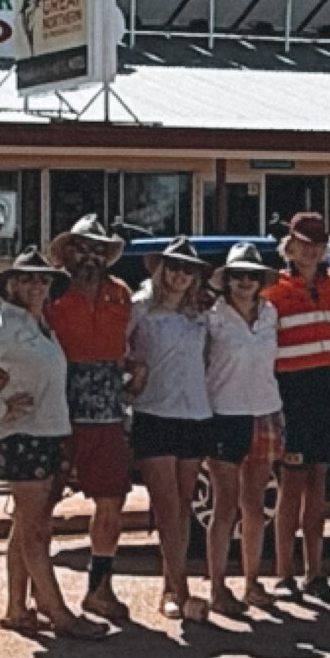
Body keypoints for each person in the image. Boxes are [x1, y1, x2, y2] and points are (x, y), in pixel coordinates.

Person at [0, 250, 92, 643]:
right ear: (12, 285)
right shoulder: (6, 325)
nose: (36, 286)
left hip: (45, 432)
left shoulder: (38, 325)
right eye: (28, 279)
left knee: (28, 525)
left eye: (43, 280)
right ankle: (56, 610)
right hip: (22, 436)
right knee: (35, 530)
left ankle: (17, 608)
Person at [47, 216, 140, 625]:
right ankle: (34, 595)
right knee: (40, 505)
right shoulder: (49, 291)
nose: (89, 257)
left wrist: (134, 369)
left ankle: (99, 588)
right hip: (56, 412)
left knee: (111, 501)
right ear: (67, 253)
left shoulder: (121, 294)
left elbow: (129, 345)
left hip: (108, 410)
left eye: (97, 249)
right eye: (82, 248)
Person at [124, 243, 221, 629]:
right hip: (154, 412)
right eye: (174, 268)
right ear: (161, 270)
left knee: (183, 506)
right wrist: (130, 373)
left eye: (187, 269)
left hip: (196, 413)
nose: (180, 276)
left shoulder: (203, 313)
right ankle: (178, 591)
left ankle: (171, 586)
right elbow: (115, 348)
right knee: (165, 507)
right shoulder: (140, 306)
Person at [265, 211, 330, 600]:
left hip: (326, 386)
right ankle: (284, 573)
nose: (310, 249)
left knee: (319, 482)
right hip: (290, 390)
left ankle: (315, 571)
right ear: (290, 245)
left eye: (318, 243)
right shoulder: (275, 288)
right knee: (291, 482)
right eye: (303, 242)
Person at [202, 243, 286, 613]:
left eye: (252, 275)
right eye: (237, 275)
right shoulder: (211, 317)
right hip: (224, 414)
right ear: (226, 280)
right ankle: (218, 588)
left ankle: (253, 582)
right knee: (225, 507)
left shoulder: (271, 314)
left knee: (255, 505)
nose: (244, 282)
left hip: (266, 412)